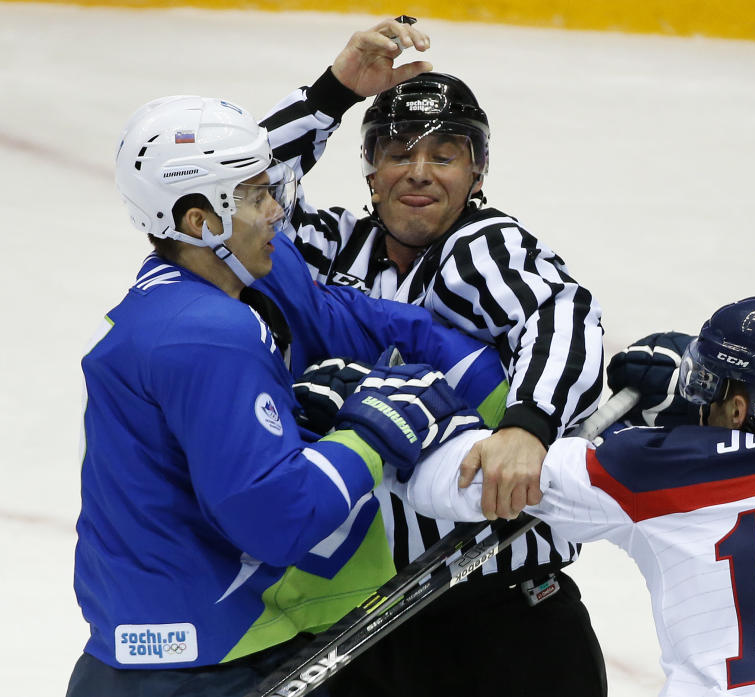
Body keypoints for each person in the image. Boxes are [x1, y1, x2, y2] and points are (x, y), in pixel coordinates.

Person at [67, 89, 508, 697]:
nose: (277, 209)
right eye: (254, 195)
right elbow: (277, 517)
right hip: (204, 670)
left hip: (168, 653)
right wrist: (370, 432)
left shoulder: (207, 291)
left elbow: (357, 320)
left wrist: (520, 407)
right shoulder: (205, 335)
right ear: (201, 221)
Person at [262, 18, 607, 697]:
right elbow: (245, 191)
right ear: (370, 170)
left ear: (475, 172)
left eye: (444, 154)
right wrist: (334, 92)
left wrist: (527, 425)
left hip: (500, 616)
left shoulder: (481, 248)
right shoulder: (336, 247)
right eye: (397, 152)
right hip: (371, 615)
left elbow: (561, 311)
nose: (419, 173)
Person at [396, 295, 755, 696]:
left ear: (736, 409)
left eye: (707, 384)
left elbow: (478, 477)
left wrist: (382, 432)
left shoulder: (649, 468)